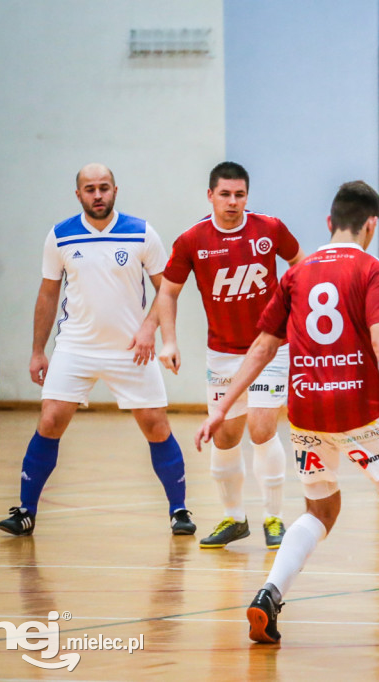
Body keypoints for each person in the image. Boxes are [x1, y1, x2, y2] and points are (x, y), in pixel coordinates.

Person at [194, 180, 379, 643]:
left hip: (306, 411)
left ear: (330, 223)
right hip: (359, 408)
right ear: (372, 224)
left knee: (320, 508)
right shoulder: (374, 269)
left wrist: (222, 408)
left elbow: (261, 347)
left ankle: (269, 594)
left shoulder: (298, 272)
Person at [0, 163, 194, 537]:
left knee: (156, 425)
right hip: (75, 346)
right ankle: (25, 511)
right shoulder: (60, 236)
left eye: (104, 187)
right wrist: (38, 351)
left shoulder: (142, 233)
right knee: (51, 419)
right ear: (79, 195)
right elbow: (47, 294)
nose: (98, 195)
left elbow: (167, 289)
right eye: (90, 189)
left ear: (115, 190)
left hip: (131, 349)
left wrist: (149, 329)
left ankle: (179, 510)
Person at [157, 162, 305, 550]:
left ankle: (274, 517)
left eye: (239, 194)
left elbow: (301, 266)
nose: (233, 202)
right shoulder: (192, 239)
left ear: (247, 196)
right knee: (224, 436)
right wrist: (169, 341)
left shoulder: (269, 229)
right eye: (225, 194)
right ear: (210, 195)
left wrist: (296, 314)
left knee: (261, 427)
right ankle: (234, 518)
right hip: (221, 353)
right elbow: (168, 292)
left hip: (270, 346)